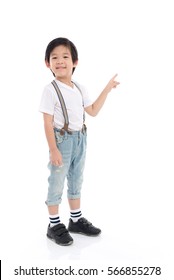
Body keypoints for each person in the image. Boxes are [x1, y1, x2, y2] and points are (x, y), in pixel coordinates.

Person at [39, 37, 120, 246]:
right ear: (47, 63)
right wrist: (53, 149)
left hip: (81, 138)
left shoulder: (80, 88)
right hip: (62, 140)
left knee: (76, 179)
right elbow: (47, 123)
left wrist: (107, 89)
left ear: (75, 61)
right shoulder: (50, 90)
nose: (60, 61)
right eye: (54, 57)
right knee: (57, 180)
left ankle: (75, 219)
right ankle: (54, 224)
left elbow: (92, 111)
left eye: (65, 56)